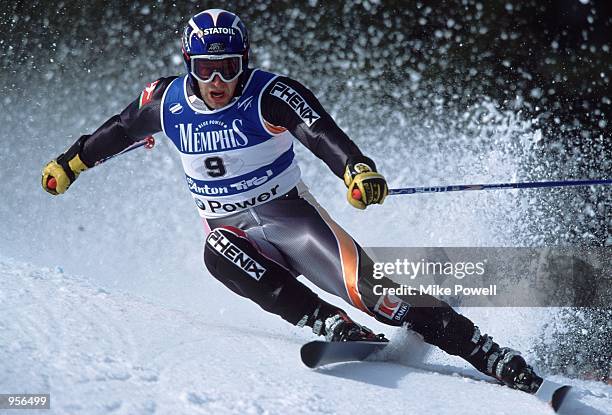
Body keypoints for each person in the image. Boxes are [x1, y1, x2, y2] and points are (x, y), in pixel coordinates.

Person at [42, 9, 543, 393]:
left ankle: (490, 354)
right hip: (236, 235)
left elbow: (321, 133)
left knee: (379, 297)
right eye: (206, 69)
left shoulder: (269, 94)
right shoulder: (166, 101)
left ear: (245, 61)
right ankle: (328, 323)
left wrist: (356, 169)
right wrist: (70, 164)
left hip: (293, 220)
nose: (218, 82)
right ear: (188, 64)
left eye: (229, 67)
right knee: (217, 249)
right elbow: (119, 131)